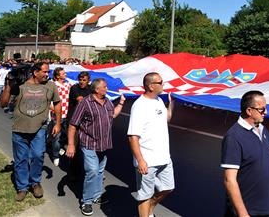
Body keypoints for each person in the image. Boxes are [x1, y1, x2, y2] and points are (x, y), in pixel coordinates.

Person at [0, 62, 62, 202]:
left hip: (40, 128)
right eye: (44, 71)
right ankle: (22, 187)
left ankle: (35, 182)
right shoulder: (20, 85)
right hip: (19, 130)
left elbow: (57, 103)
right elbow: (2, 104)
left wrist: (57, 123)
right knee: (21, 160)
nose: (47, 74)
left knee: (37, 155)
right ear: (35, 72)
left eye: (48, 71)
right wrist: (8, 86)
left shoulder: (50, 86)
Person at [221, 90, 269, 217]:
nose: (266, 112)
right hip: (249, 211)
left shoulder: (262, 129)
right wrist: (242, 213)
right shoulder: (234, 137)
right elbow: (229, 180)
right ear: (249, 111)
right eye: (262, 109)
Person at [66, 78, 125, 216]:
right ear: (97, 89)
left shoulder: (108, 102)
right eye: (105, 86)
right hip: (89, 144)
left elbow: (113, 114)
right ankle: (86, 201)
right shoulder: (86, 103)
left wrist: (121, 102)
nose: (107, 88)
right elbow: (73, 124)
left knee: (99, 171)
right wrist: (70, 145)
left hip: (103, 145)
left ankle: (96, 195)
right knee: (92, 171)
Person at [128, 72, 175, 217]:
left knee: (168, 188)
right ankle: (146, 211)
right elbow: (132, 136)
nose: (163, 84)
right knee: (144, 196)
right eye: (160, 82)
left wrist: (171, 105)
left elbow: (166, 118)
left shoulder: (159, 101)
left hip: (164, 158)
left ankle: (149, 210)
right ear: (150, 86)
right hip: (147, 161)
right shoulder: (139, 106)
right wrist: (140, 160)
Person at [49, 67, 71, 166]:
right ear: (58, 76)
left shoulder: (68, 84)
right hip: (57, 116)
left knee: (66, 135)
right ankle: (55, 156)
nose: (65, 74)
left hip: (68, 115)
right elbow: (49, 100)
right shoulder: (53, 85)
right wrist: (53, 109)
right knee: (56, 137)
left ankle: (61, 147)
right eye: (63, 73)